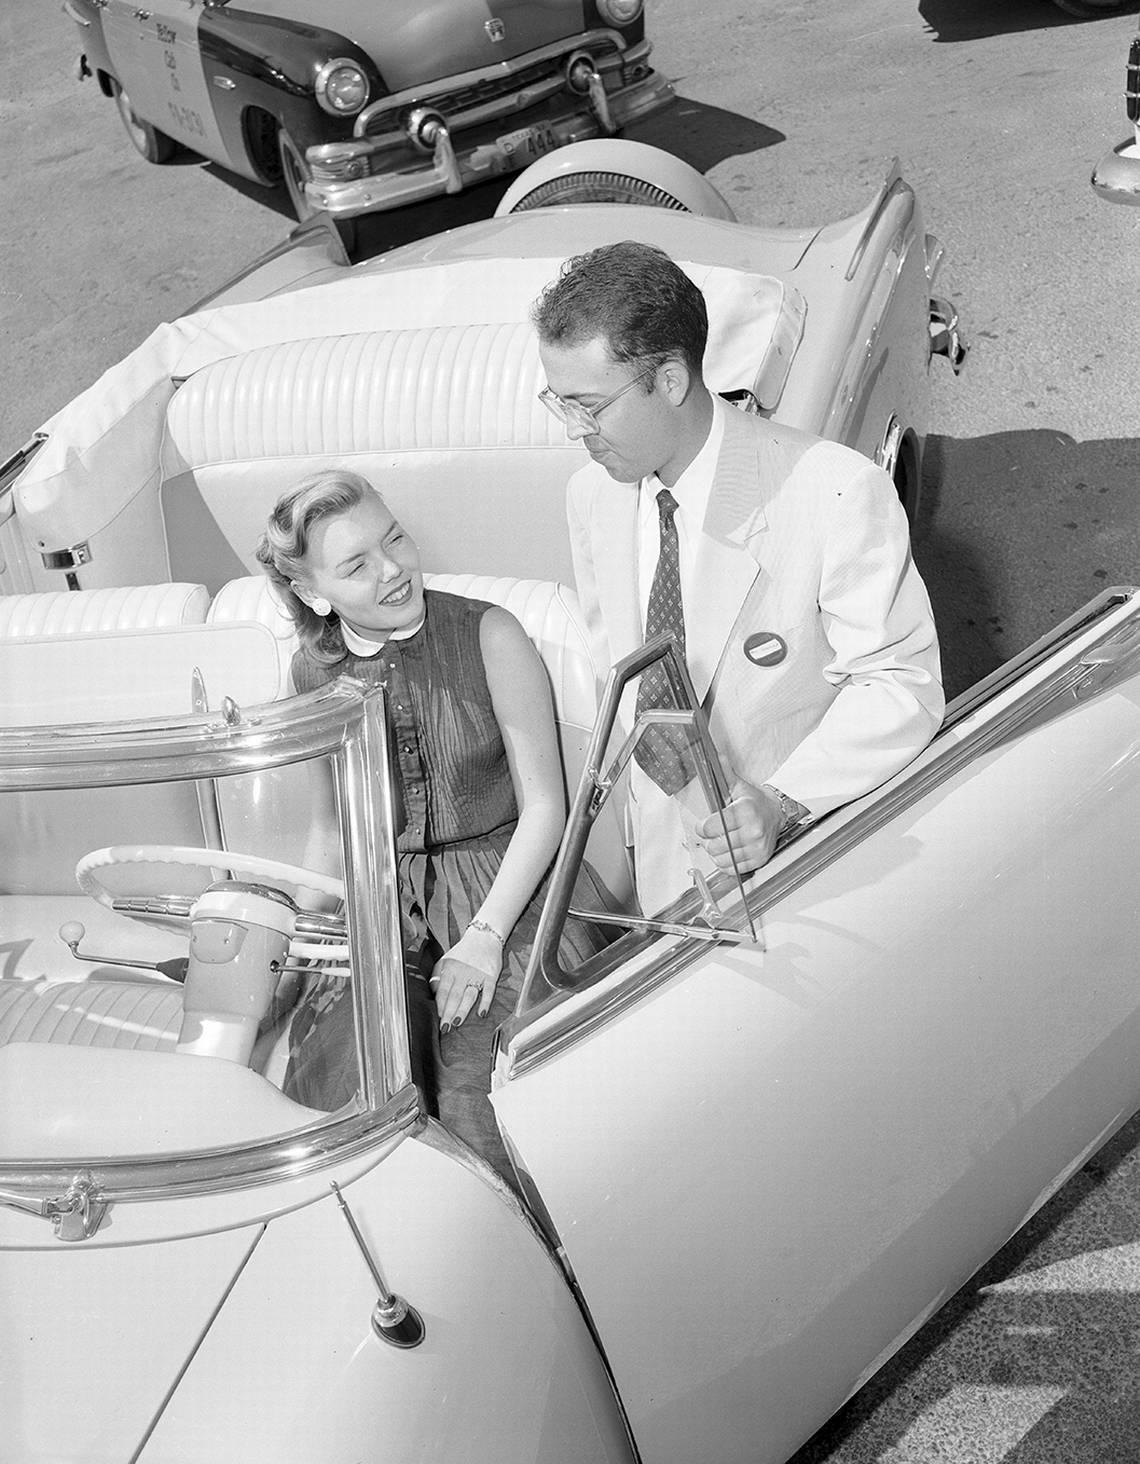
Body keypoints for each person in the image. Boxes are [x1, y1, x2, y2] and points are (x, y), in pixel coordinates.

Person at [532, 240, 945, 914]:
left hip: (804, 870)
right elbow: (626, 674)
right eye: (561, 402)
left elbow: (904, 683)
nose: (575, 431)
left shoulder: (833, 491)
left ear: (669, 380)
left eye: (590, 406)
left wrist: (782, 801)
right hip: (666, 879)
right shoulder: (591, 496)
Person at [255, 469, 608, 1181]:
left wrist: (483, 939)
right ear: (313, 592)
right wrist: (287, 944)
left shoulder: (491, 634)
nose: (393, 570)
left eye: (396, 538)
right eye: (357, 565)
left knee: (486, 1099)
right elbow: (334, 833)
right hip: (386, 904)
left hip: (513, 892)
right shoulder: (308, 673)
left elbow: (546, 807)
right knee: (353, 1091)